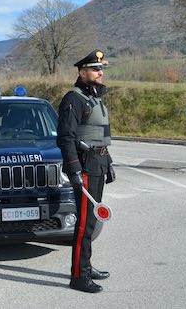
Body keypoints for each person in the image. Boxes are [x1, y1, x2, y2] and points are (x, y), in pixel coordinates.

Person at [57, 49, 114, 293]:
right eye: (95, 68)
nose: (100, 72)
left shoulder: (95, 98)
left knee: (91, 223)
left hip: (98, 165)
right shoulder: (74, 99)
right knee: (84, 224)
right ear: (82, 73)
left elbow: (99, 135)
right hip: (86, 167)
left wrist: (107, 163)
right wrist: (75, 171)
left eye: (101, 68)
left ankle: (86, 266)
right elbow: (66, 138)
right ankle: (79, 277)